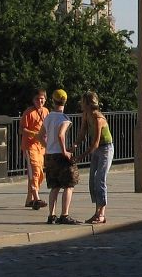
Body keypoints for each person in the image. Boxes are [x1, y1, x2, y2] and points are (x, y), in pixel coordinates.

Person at [40, 89, 80, 224]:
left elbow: (40, 136)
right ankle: (64, 214)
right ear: (65, 101)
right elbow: (61, 135)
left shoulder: (48, 117)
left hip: (50, 155)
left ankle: (51, 215)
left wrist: (48, 146)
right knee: (69, 185)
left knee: (54, 186)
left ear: (53, 100)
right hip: (60, 156)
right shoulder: (64, 119)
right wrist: (65, 151)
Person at [77, 91, 114, 224]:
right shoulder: (86, 115)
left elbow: (96, 143)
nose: (81, 104)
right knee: (92, 180)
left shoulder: (98, 118)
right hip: (98, 149)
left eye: (83, 102)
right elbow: (82, 134)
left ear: (88, 103)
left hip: (105, 148)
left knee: (100, 179)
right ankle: (97, 211)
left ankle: (101, 214)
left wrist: (81, 157)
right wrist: (74, 146)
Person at [19, 89, 49, 211]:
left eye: (42, 98)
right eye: (37, 99)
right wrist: (34, 134)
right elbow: (21, 130)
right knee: (35, 170)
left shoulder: (46, 111)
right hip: (30, 146)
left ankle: (29, 199)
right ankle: (36, 198)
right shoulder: (28, 112)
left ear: (45, 99)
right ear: (33, 100)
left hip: (41, 146)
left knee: (40, 173)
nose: (40, 101)